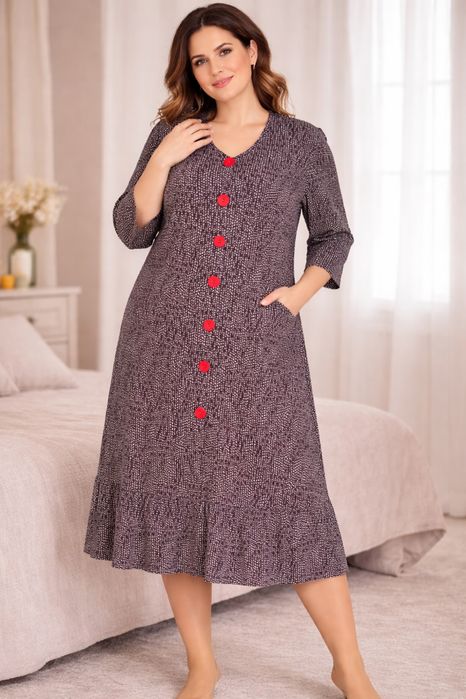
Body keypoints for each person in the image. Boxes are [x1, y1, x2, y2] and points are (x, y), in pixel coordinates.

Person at [84, 3, 381, 698]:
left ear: (251, 51)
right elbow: (132, 226)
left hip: (259, 342)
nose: (213, 68)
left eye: (223, 51)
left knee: (294, 495)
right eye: (199, 60)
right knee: (177, 492)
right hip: (163, 339)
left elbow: (333, 234)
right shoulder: (173, 135)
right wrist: (163, 157)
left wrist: (299, 294)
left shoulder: (302, 142)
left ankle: (351, 668)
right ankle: (202, 664)